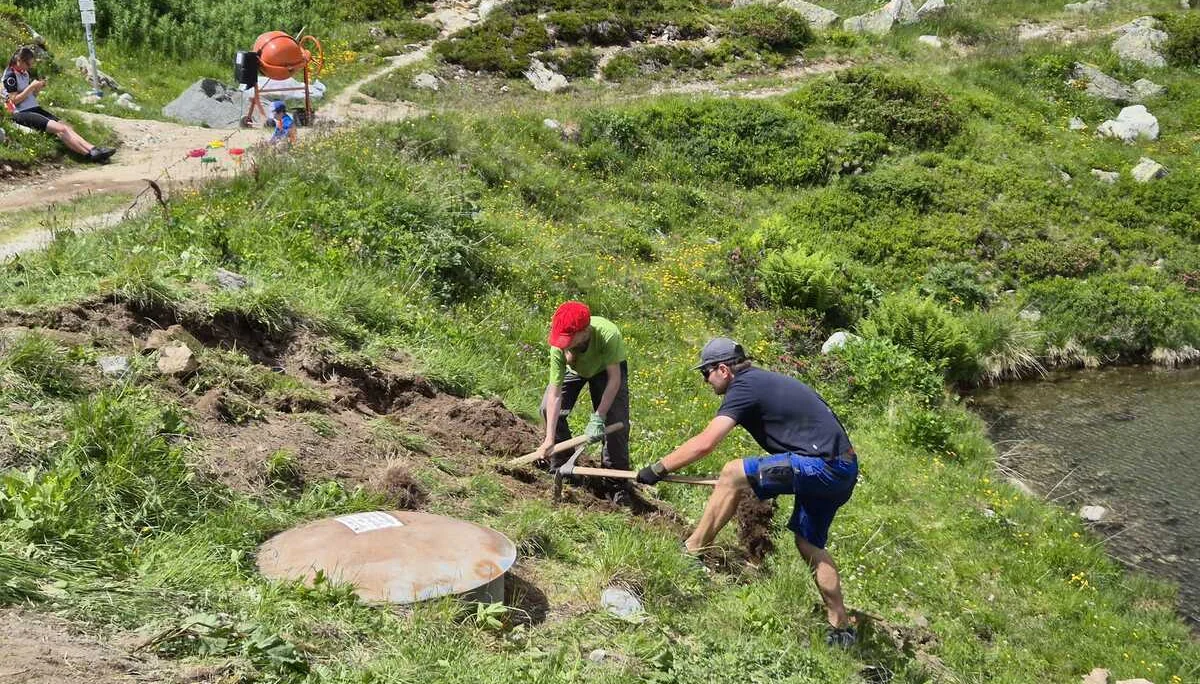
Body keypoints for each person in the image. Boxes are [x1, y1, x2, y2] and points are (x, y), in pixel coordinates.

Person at [636, 337, 859, 647]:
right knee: (809, 543)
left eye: (706, 373)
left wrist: (659, 468)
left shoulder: (745, 387)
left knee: (732, 473)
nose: (705, 380)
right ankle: (841, 626)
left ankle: (692, 551)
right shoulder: (761, 381)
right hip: (842, 468)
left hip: (822, 466)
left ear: (723, 369)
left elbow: (705, 443)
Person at [538, 301, 631, 501]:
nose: (562, 343)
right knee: (547, 408)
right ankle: (562, 464)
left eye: (568, 339)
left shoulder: (607, 334)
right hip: (575, 371)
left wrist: (598, 417)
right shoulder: (558, 347)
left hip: (606, 372)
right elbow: (555, 394)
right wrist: (549, 439)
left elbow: (614, 380)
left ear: (584, 331)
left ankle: (616, 484)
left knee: (616, 423)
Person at [2, 46, 114, 163]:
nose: (29, 68)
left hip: (33, 107)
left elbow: (30, 96)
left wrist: (37, 89)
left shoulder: (24, 73)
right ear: (19, 60)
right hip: (19, 112)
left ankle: (94, 149)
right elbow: (14, 100)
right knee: (60, 129)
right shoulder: (10, 76)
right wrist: (31, 87)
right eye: (28, 65)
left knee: (65, 126)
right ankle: (89, 156)